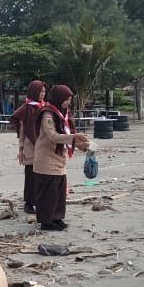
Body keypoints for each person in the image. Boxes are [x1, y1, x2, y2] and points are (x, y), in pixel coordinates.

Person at [32, 85, 90, 231]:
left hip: (59, 158)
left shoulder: (63, 114)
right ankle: (46, 221)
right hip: (46, 159)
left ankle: (56, 218)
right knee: (48, 194)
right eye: (66, 99)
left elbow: (66, 133)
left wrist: (80, 145)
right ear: (58, 98)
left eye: (69, 100)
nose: (68, 102)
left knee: (59, 192)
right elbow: (53, 136)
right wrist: (75, 137)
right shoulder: (48, 114)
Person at [9, 80, 46, 214]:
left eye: (44, 92)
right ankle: (29, 203)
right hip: (30, 147)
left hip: (44, 147)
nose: (42, 94)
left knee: (42, 175)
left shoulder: (44, 107)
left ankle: (40, 201)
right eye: (40, 91)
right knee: (30, 176)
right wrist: (21, 149)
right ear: (34, 92)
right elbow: (22, 131)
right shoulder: (26, 109)